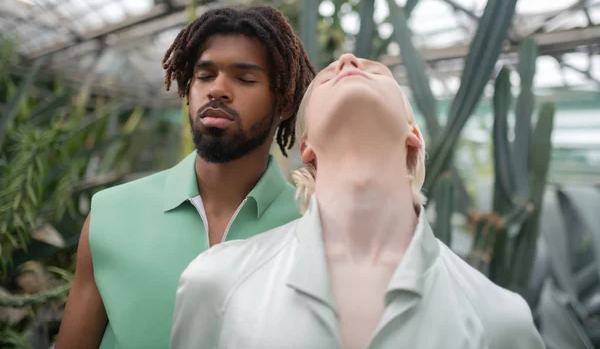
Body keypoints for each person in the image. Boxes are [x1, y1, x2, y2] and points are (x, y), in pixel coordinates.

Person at [171, 53, 545, 349]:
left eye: (378, 71)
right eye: (325, 79)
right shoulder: (215, 282)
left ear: (412, 135)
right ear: (307, 148)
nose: (347, 59)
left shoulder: (501, 319)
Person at [55, 6, 315, 349]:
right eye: (205, 76)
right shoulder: (111, 213)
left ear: (283, 104)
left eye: (245, 78)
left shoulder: (310, 227)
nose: (217, 90)